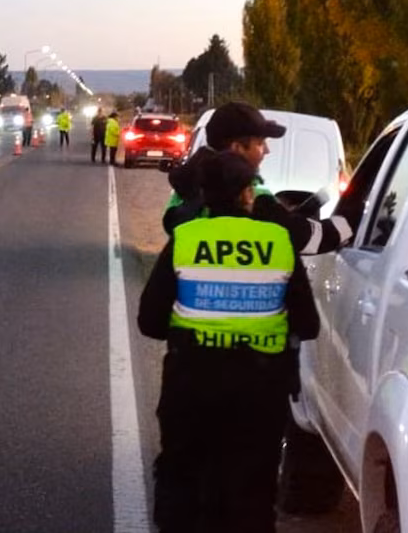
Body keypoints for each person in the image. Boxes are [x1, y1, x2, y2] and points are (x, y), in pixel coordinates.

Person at [138, 150, 319, 533]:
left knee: (180, 483)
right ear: (247, 194)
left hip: (190, 386)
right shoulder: (278, 240)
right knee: (251, 495)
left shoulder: (186, 238)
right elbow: (309, 324)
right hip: (260, 391)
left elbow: (150, 322)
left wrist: (194, 328)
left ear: (204, 194)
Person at [163, 102, 355, 254]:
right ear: (237, 148)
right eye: (261, 143)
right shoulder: (249, 194)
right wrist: (352, 219)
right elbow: (304, 238)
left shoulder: (184, 189)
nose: (267, 151)